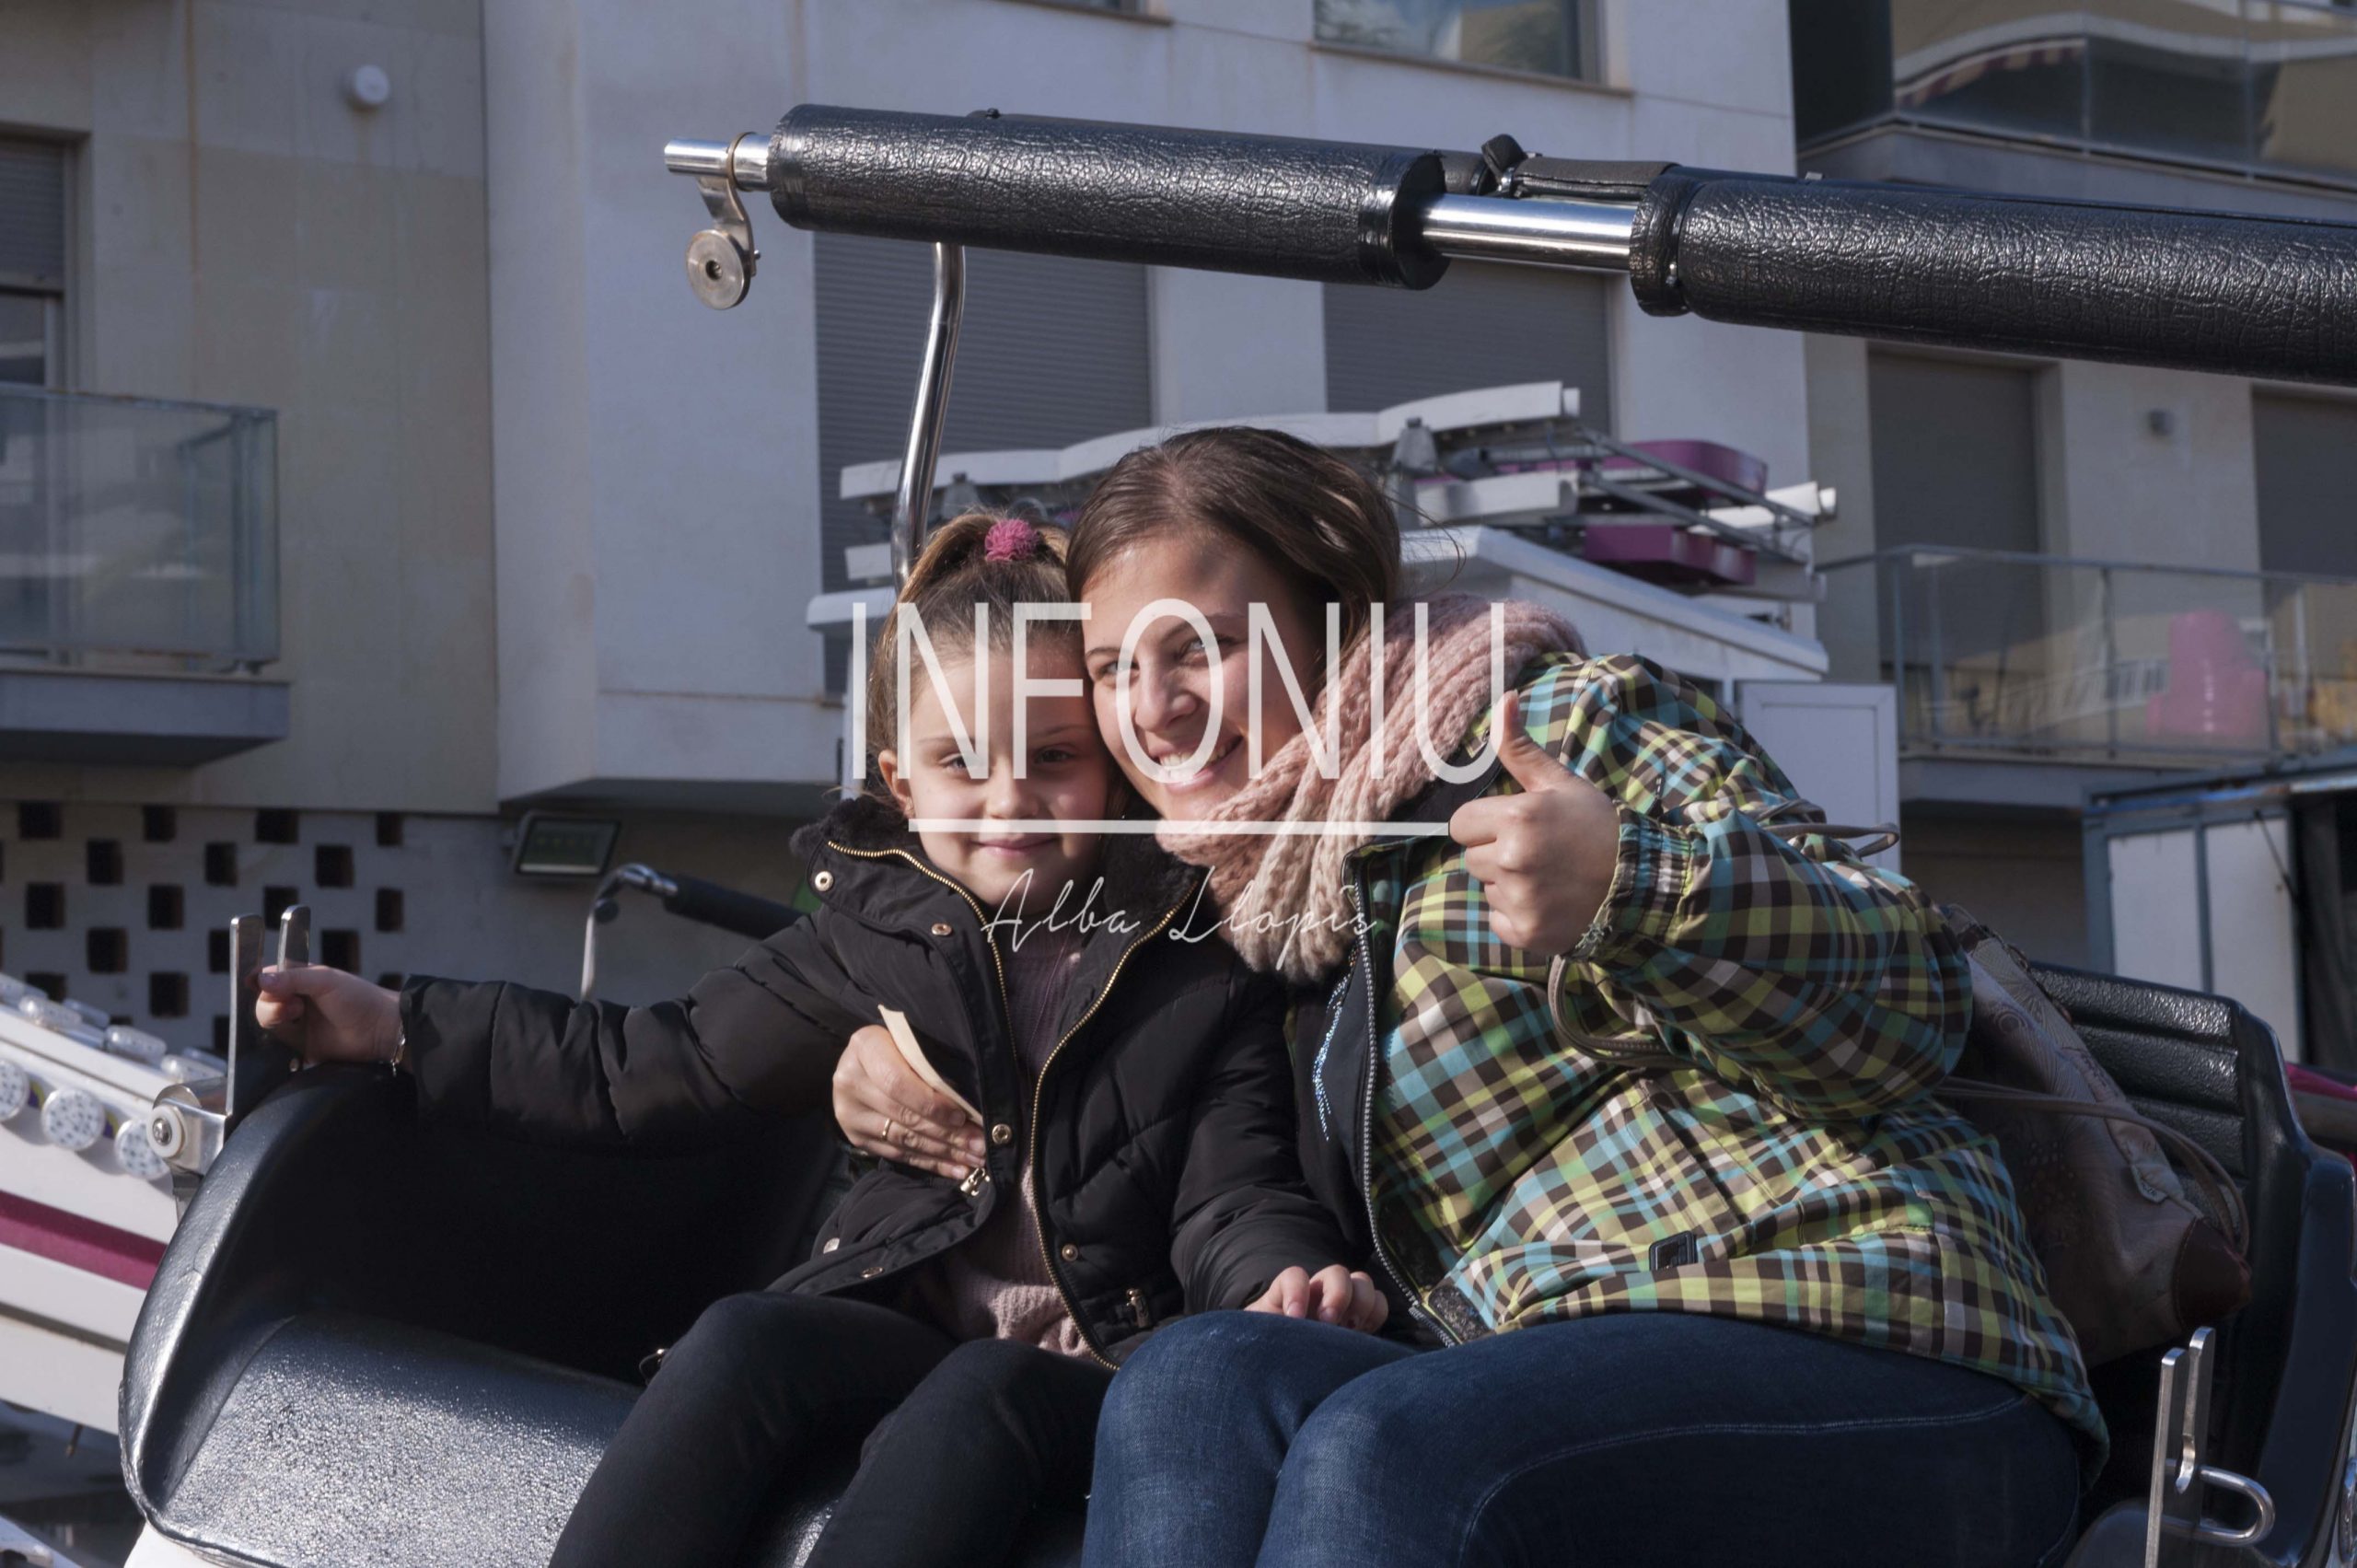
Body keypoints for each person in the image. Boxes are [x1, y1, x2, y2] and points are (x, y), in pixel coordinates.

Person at [830, 429, 2097, 1568]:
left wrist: (1634, 889)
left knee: (1388, 1444)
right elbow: (1066, 1007)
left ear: (1328, 625)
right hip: (1530, 1365)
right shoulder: (1247, 904)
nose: (1155, 708)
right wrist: (907, 1051)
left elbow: (1913, 995)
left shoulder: (1546, 731)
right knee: (1193, 1374)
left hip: (1873, 1333)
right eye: (1115, 667)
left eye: (1204, 646)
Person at [254, 512, 1378, 1568]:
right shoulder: (874, 937)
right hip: (913, 1320)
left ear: (1117, 770)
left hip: (1101, 1354)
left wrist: (1277, 1278)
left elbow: (1232, 1188)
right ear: (901, 783)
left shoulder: (1191, 960)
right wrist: (402, 1024)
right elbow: (653, 1063)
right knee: (748, 1335)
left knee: (981, 1390)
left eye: (1054, 758)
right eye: (963, 763)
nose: (1010, 800)